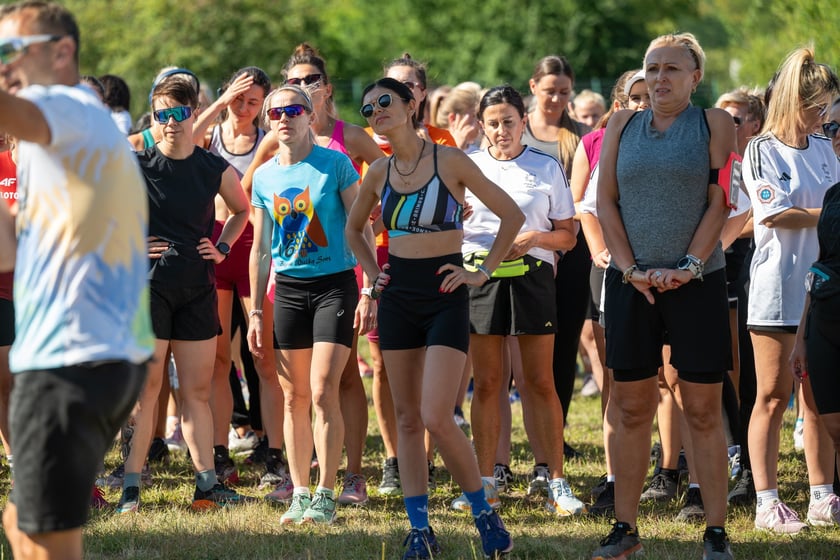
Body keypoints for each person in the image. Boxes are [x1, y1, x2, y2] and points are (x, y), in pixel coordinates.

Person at [346, 77, 523, 559]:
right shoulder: (377, 172)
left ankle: (485, 515)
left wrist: (481, 272)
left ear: (410, 104)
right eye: (368, 109)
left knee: (435, 416)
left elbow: (510, 216)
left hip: (446, 292)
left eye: (385, 102)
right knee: (406, 420)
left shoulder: (449, 160)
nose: (376, 112)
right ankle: (420, 530)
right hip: (399, 293)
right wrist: (373, 274)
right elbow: (353, 229)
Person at [0, 2, 153, 558]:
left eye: (9, 51)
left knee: (46, 546)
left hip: (71, 360)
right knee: (22, 526)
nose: (3, 66)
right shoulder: (58, 149)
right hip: (78, 357)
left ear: (61, 52)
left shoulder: (64, 104)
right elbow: (7, 253)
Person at [593, 32, 737, 559]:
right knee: (631, 406)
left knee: (701, 407)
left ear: (694, 78)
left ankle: (716, 531)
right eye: (652, 68)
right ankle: (625, 527)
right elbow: (605, 201)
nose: (659, 78)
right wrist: (628, 269)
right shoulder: (620, 123)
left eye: (671, 69)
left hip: (697, 284)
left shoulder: (714, 123)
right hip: (631, 284)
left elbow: (720, 199)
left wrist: (690, 266)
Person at [117, 76, 250, 513]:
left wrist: (223, 246)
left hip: (197, 288)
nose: (171, 123)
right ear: (154, 119)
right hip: (149, 290)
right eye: (162, 115)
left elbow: (242, 210)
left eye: (179, 113)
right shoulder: (138, 164)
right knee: (147, 391)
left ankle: (207, 485)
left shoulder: (212, 167)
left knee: (195, 392)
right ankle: (131, 488)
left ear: (194, 113)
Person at [247, 84, 375, 525]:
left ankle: (325, 492)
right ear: (268, 120)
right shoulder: (263, 176)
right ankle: (300, 491)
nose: (286, 117)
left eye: (295, 109)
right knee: (293, 396)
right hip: (288, 292)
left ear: (310, 116)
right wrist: (257, 312)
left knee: (322, 390)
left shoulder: (335, 163)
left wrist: (368, 288)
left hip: (335, 285)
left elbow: (359, 229)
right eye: (277, 111)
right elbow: (260, 249)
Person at [457, 85, 585, 516]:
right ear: (481, 126)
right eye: (492, 123)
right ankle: (485, 483)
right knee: (489, 383)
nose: (500, 130)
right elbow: (449, 226)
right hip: (481, 278)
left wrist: (533, 237)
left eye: (508, 121)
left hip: (533, 278)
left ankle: (556, 480)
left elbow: (568, 235)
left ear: (523, 121)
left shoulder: (546, 166)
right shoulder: (467, 166)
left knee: (539, 382)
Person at [744, 47, 840, 533]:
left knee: (818, 398)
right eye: (817, 107)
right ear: (793, 101)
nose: (823, 117)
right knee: (773, 395)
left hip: (822, 291)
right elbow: (775, 213)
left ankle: (823, 496)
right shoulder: (761, 147)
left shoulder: (827, 148)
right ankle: (766, 502)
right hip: (778, 288)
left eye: (828, 108)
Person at [190, 65, 289, 497]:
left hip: (256, 249)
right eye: (238, 99)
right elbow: (181, 136)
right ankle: (218, 452)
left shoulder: (269, 139)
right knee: (216, 360)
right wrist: (219, 100)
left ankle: (274, 450)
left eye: (253, 101)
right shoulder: (208, 135)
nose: (244, 108)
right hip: (212, 250)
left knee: (265, 357)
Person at [573, 68, 651, 518]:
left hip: (665, 275)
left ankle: (671, 471)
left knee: (668, 383)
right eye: (634, 97)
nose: (643, 104)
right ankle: (615, 477)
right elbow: (585, 205)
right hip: (616, 272)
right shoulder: (603, 144)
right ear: (619, 104)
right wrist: (603, 250)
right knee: (617, 382)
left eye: (648, 96)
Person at [526, 55, 591, 465]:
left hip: (570, 250)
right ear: (533, 87)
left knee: (564, 344)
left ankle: (557, 433)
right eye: (550, 91)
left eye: (564, 92)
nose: (556, 99)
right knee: (525, 350)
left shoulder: (581, 135)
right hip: (526, 252)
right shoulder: (516, 131)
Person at [791, 95, 840, 469]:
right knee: (832, 421)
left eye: (839, 127)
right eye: (830, 128)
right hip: (825, 317)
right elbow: (820, 264)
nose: (835, 136)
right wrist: (802, 336)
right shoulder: (832, 195)